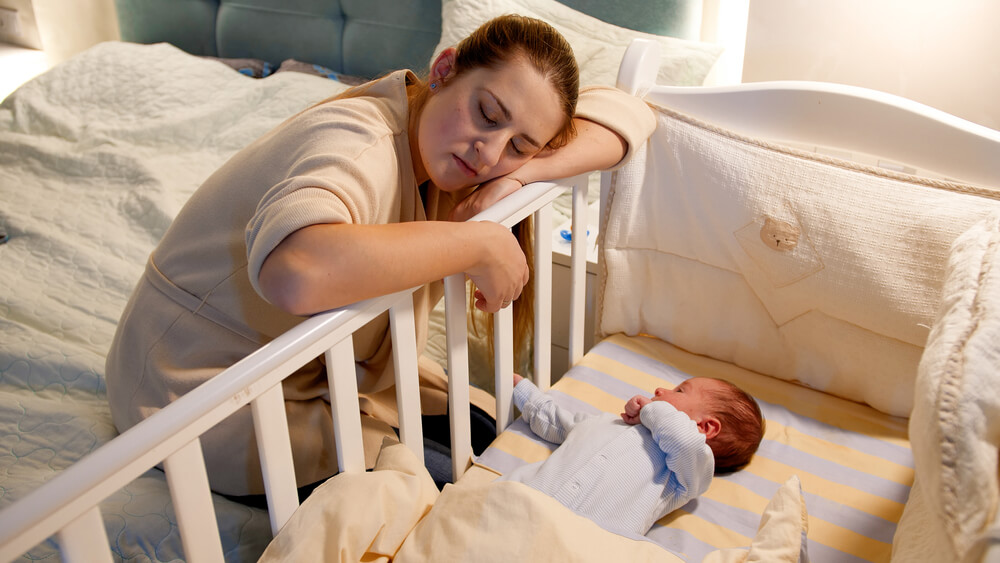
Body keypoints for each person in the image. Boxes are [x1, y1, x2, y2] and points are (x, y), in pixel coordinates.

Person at [104, 14, 657, 497]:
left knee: (491, 437)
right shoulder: (360, 141)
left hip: (309, 372)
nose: (489, 153)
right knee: (458, 490)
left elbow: (629, 115)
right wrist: (480, 242)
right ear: (444, 69)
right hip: (191, 392)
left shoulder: (453, 151)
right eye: (487, 114)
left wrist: (523, 175)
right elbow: (295, 272)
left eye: (518, 143)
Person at [499, 373, 765, 537]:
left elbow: (683, 440)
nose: (661, 390)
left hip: (584, 545)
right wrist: (524, 391)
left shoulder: (686, 472)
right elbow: (557, 422)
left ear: (705, 428)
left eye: (679, 391)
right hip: (523, 503)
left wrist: (651, 410)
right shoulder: (606, 422)